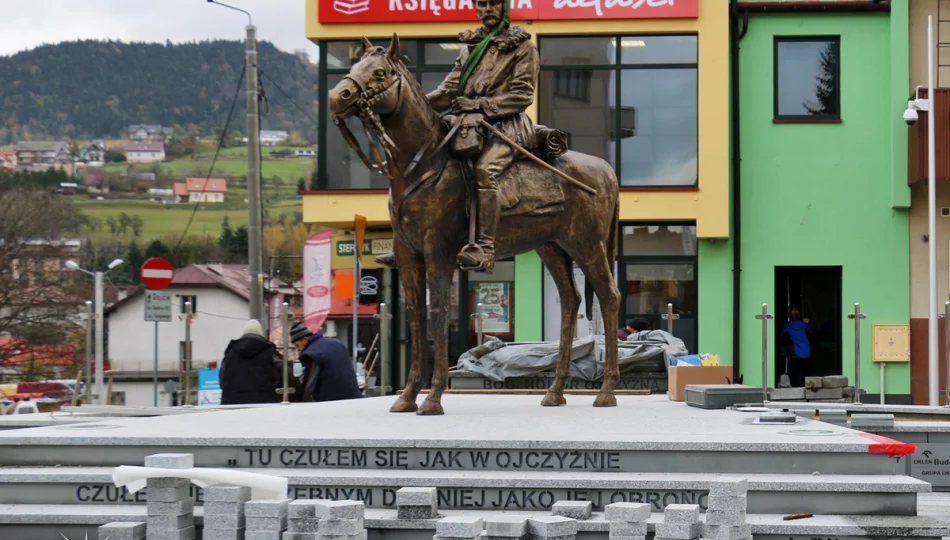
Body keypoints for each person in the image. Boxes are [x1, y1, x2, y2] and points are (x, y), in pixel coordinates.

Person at [373, 0, 538, 273]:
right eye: (481, 4)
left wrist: (479, 105)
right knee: (426, 163)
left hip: (506, 126)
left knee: (485, 170)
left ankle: (484, 247)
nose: (487, 9)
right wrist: (413, 107)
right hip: (467, 125)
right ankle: (406, 240)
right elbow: (449, 90)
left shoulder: (522, 47)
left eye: (493, 3)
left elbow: (523, 95)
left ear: (505, 7)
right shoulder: (470, 49)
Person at [289, 321, 363, 402]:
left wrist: (300, 402)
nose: (298, 349)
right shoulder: (338, 343)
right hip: (354, 397)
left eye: (297, 345)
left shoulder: (312, 354)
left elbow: (309, 384)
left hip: (331, 402)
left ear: (305, 339)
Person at [219, 320, 282, 405]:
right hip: (264, 403)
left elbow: (222, 379)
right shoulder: (269, 350)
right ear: (260, 333)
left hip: (233, 404)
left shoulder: (230, 352)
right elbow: (284, 370)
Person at [780, 308, 814, 387]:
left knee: (795, 371)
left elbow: (782, 338)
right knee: (806, 370)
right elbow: (812, 332)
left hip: (795, 353)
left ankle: (798, 385)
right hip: (806, 351)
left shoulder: (787, 326)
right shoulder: (805, 325)